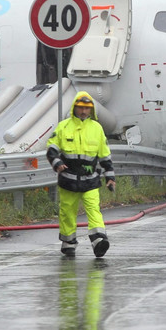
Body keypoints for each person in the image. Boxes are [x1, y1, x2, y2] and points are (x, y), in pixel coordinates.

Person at [47, 91, 116, 257]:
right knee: (67, 212)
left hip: (90, 179)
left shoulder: (96, 128)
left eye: (87, 108)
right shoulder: (63, 127)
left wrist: (110, 177)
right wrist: (57, 163)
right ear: (74, 108)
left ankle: (99, 240)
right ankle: (68, 242)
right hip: (68, 179)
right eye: (80, 108)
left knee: (93, 209)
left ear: (91, 110)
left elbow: (105, 156)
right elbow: (52, 149)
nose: (83, 111)